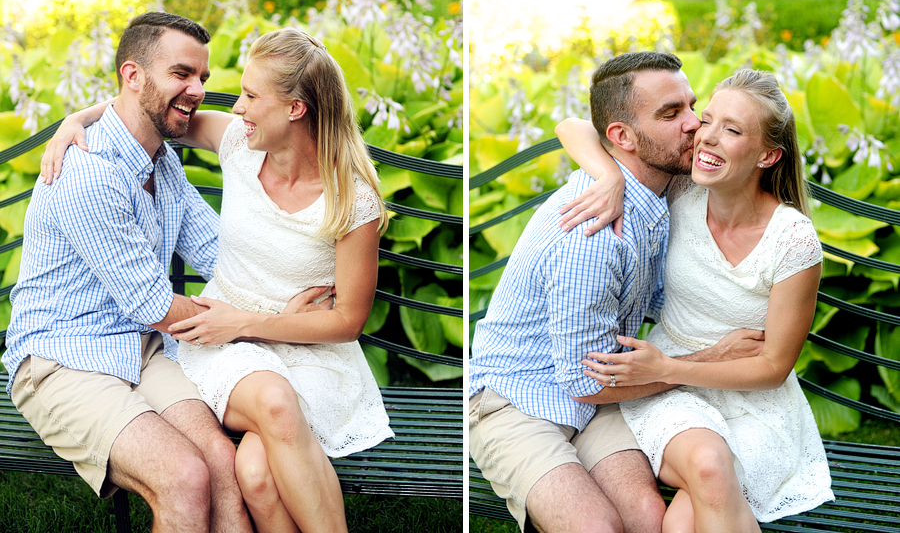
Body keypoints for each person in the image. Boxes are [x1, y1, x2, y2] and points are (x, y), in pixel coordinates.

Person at [43, 26, 394, 533]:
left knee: (253, 472)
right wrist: (74, 120)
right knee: (271, 409)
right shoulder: (239, 144)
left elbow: (346, 322)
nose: (235, 107)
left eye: (251, 96)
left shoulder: (351, 200)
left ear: (295, 109)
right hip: (229, 342)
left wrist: (256, 321)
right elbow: (147, 106)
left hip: (307, 348)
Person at [468, 52, 767, 533]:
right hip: (515, 400)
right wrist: (710, 360)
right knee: (597, 529)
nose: (696, 126)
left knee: (648, 519)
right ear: (622, 138)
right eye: (671, 115)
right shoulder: (596, 237)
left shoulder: (662, 182)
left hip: (597, 392)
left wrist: (608, 173)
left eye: (693, 106)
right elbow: (584, 381)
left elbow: (577, 124)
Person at [3, 12, 253, 532]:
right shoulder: (88, 172)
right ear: (133, 75)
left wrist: (293, 292)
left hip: (140, 346)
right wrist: (262, 319)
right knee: (184, 477)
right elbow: (154, 306)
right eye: (182, 74)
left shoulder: (164, 163)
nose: (197, 90)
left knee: (223, 464)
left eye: (202, 78)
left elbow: (221, 254)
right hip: (61, 357)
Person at [555, 69, 834, 532]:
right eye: (707, 120)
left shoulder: (793, 241)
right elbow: (574, 126)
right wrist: (608, 174)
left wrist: (669, 368)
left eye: (733, 130)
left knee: (686, 515)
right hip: (668, 395)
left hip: (751, 401)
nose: (708, 139)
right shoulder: (683, 190)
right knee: (706, 465)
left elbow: (772, 368)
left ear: (768, 155)